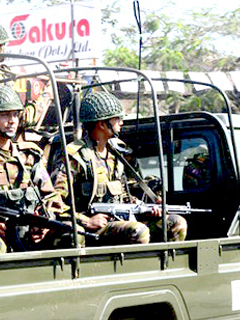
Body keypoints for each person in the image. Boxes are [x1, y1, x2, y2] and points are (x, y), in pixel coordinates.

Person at [51, 91, 187, 245]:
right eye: (117, 119)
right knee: (138, 231)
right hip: (92, 227)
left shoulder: (116, 153)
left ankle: (168, 267)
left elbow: (122, 194)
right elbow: (54, 202)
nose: (121, 122)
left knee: (177, 223)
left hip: (118, 219)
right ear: (102, 124)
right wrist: (86, 220)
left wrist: (146, 208)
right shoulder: (75, 156)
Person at [0, 84, 67, 251]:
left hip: (29, 232)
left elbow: (50, 196)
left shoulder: (30, 155)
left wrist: (44, 221)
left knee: (71, 234)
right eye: (5, 115)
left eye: (15, 114)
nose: (12, 120)